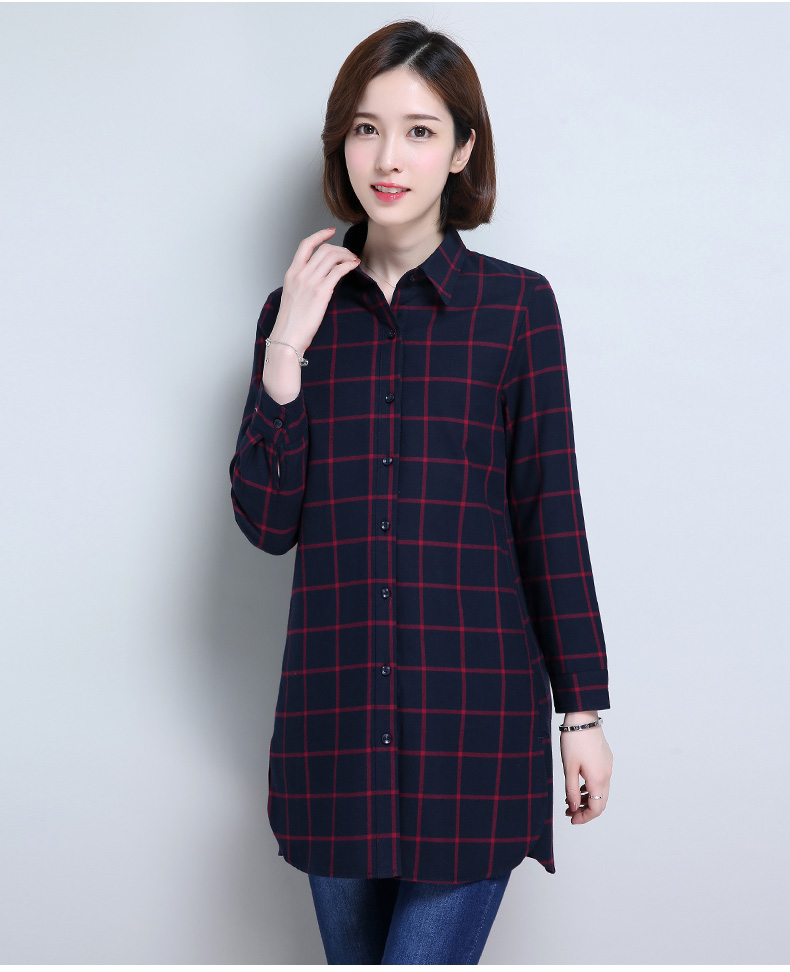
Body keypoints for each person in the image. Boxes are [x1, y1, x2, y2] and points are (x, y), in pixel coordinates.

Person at [229, 18, 613, 965]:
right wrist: (286, 352)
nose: (388, 158)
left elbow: (550, 517)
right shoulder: (295, 314)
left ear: (463, 150)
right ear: (341, 144)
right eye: (366, 129)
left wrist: (582, 714)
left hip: (473, 731)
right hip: (334, 732)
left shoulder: (517, 309)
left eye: (420, 130)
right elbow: (267, 525)